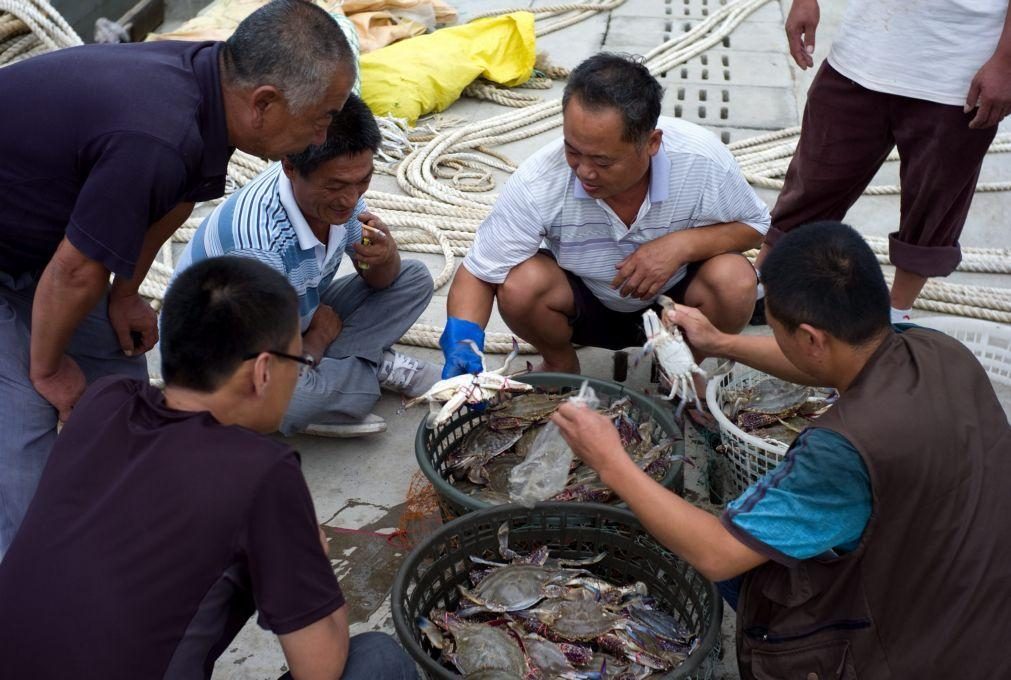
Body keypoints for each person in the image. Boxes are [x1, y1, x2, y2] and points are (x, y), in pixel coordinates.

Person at [551, 221, 1011, 677]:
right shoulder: (939, 349)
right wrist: (721, 341)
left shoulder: (843, 449)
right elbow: (829, 365)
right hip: (979, 601)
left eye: (774, 326)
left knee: (737, 556)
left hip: (910, 656)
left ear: (810, 338)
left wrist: (610, 461)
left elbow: (718, 553)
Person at [0, 0, 356, 558]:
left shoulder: (213, 83)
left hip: (53, 242)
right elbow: (73, 271)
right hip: (34, 258)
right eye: (321, 118)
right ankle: (25, 597)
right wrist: (48, 372)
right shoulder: (157, 133)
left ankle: (120, 541)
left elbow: (176, 198)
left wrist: (124, 294)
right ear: (265, 102)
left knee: (124, 392)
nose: (321, 138)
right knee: (26, 464)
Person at [0, 257, 419, 680]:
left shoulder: (105, 401)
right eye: (299, 363)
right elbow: (321, 668)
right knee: (378, 661)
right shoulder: (261, 474)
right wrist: (311, 552)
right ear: (262, 372)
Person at [440, 53, 770, 378]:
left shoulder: (701, 160)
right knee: (519, 285)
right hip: (586, 306)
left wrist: (680, 246)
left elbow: (755, 227)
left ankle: (683, 366)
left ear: (652, 142)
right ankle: (559, 364)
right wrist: (462, 341)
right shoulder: (538, 181)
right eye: (572, 150)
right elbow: (480, 272)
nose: (584, 171)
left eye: (602, 161)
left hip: (675, 302)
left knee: (735, 279)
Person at [177, 94, 438, 438]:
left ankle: (338, 375)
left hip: (289, 316)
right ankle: (362, 374)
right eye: (336, 186)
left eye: (362, 180)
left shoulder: (340, 194)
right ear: (290, 166)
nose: (350, 199)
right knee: (320, 397)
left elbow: (381, 282)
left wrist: (385, 258)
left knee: (413, 278)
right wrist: (316, 340)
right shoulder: (257, 247)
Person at [752, 0, 1011, 324]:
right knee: (812, 182)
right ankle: (759, 284)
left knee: (933, 205)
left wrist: (1006, 61)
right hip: (863, 48)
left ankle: (895, 314)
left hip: (961, 68)